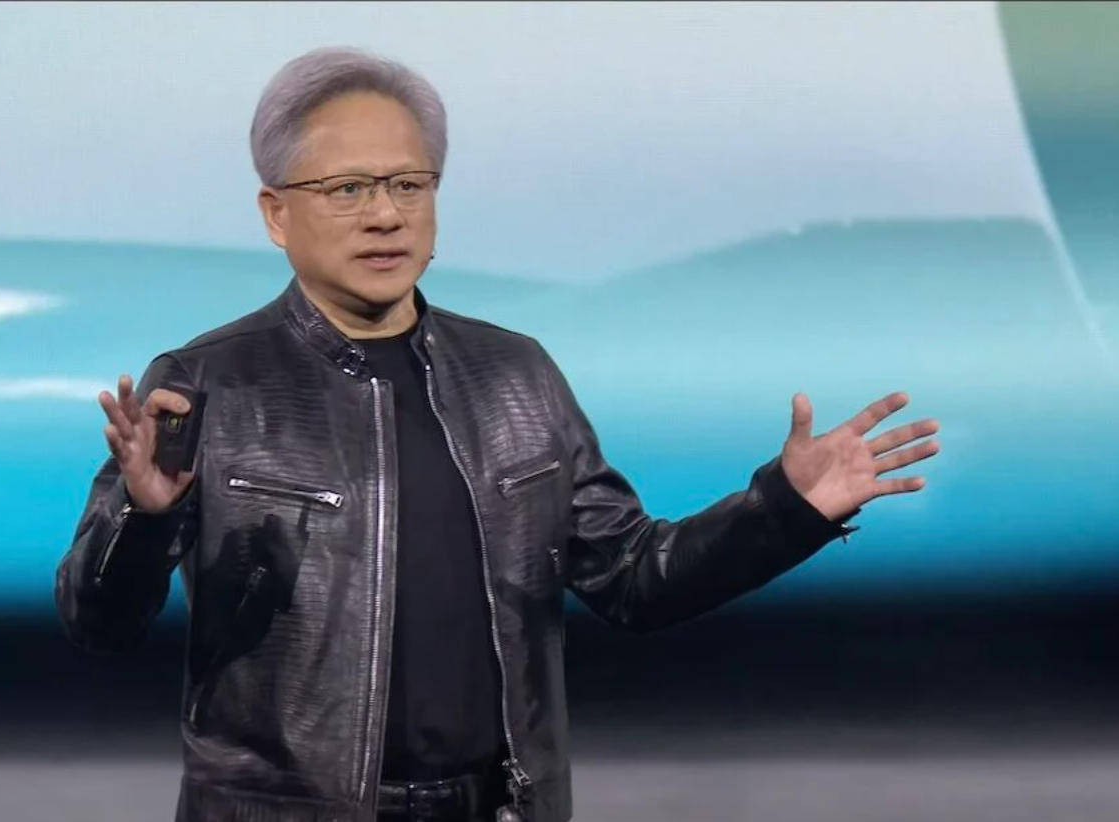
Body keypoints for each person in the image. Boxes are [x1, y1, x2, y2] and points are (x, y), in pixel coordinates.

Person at [54, 46, 940, 822]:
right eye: (347, 189)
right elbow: (99, 624)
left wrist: (785, 509)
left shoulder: (515, 375)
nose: (386, 215)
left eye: (409, 184)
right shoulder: (207, 382)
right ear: (276, 213)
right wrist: (144, 515)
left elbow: (634, 578)